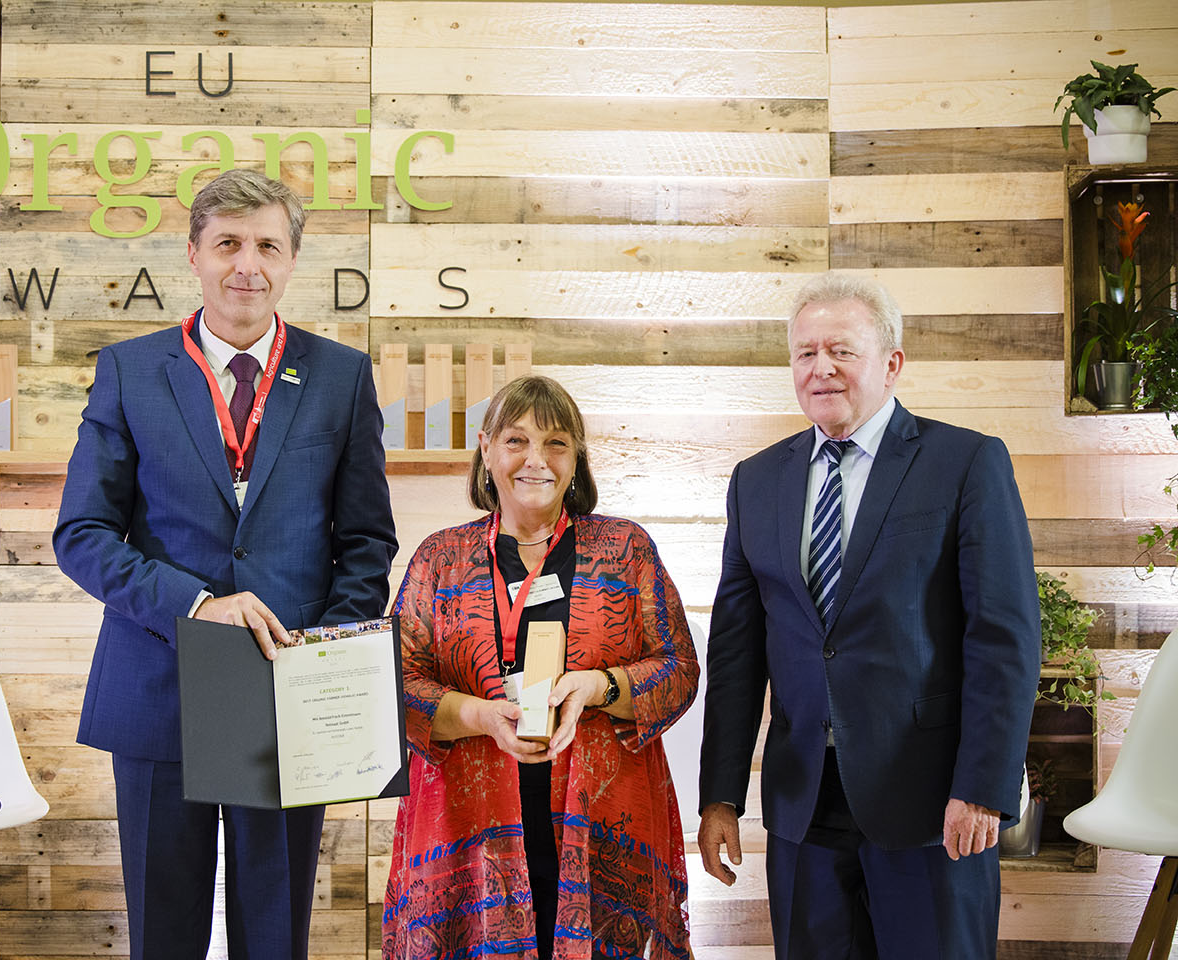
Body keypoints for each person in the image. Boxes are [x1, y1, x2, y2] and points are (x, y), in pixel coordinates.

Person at [53, 168, 398, 960]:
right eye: (229, 244)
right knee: (163, 934)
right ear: (195, 255)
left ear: (291, 261)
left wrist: (327, 659)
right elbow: (83, 533)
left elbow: (367, 541)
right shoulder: (130, 372)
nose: (248, 264)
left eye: (268, 246)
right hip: (158, 685)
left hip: (290, 697)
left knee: (275, 937)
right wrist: (199, 605)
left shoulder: (341, 378)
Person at [697, 272, 1041, 959]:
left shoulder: (966, 462)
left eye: (842, 351)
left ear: (891, 363)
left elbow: (1004, 638)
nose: (820, 368)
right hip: (803, 805)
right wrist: (721, 795)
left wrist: (982, 787)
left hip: (933, 804)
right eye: (804, 353)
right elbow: (737, 651)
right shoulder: (755, 481)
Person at [383, 375, 699, 960]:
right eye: (516, 441)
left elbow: (679, 668)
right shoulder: (439, 558)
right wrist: (480, 714)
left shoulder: (626, 550)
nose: (537, 460)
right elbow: (394, 683)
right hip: (468, 827)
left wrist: (598, 687)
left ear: (577, 457)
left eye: (556, 443)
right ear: (486, 448)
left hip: (602, 824)